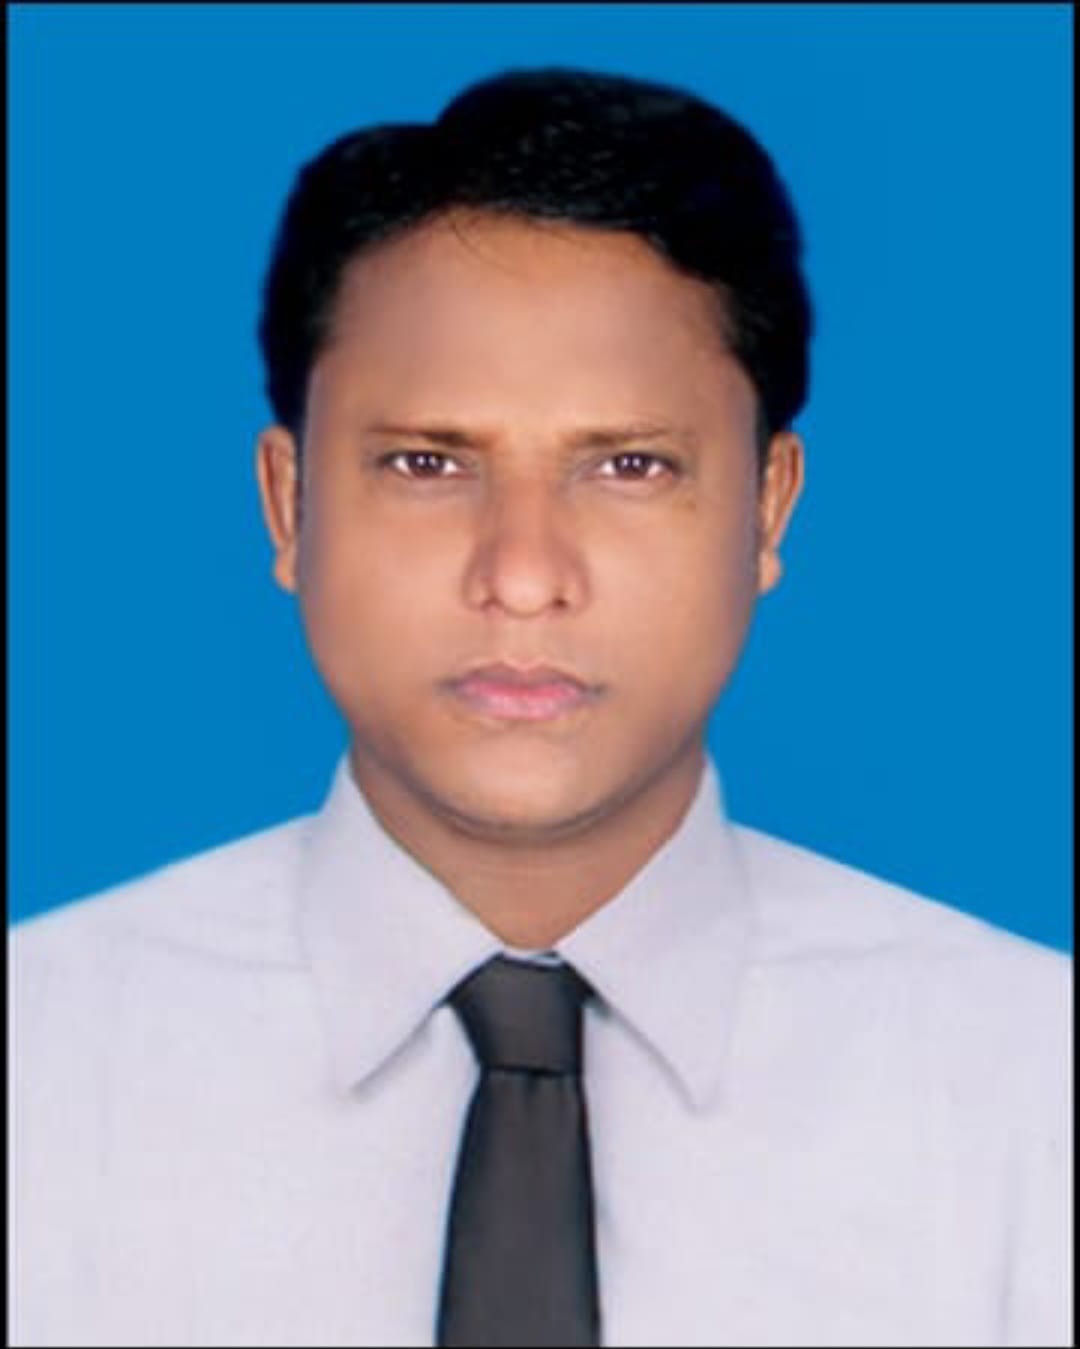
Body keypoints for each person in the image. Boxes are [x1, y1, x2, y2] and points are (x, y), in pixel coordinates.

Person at [9, 66, 1070, 1349]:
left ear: (767, 507)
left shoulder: (1033, 1088)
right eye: (426, 462)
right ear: (289, 503)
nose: (521, 574)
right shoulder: (38, 1065)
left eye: (629, 465)